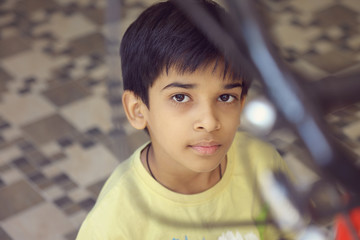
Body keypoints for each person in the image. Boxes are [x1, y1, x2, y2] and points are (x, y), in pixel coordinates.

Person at [76, 0, 293, 239]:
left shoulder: (263, 165)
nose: (209, 122)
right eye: (180, 97)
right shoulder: (115, 222)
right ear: (138, 110)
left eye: (225, 97)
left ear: (241, 104)